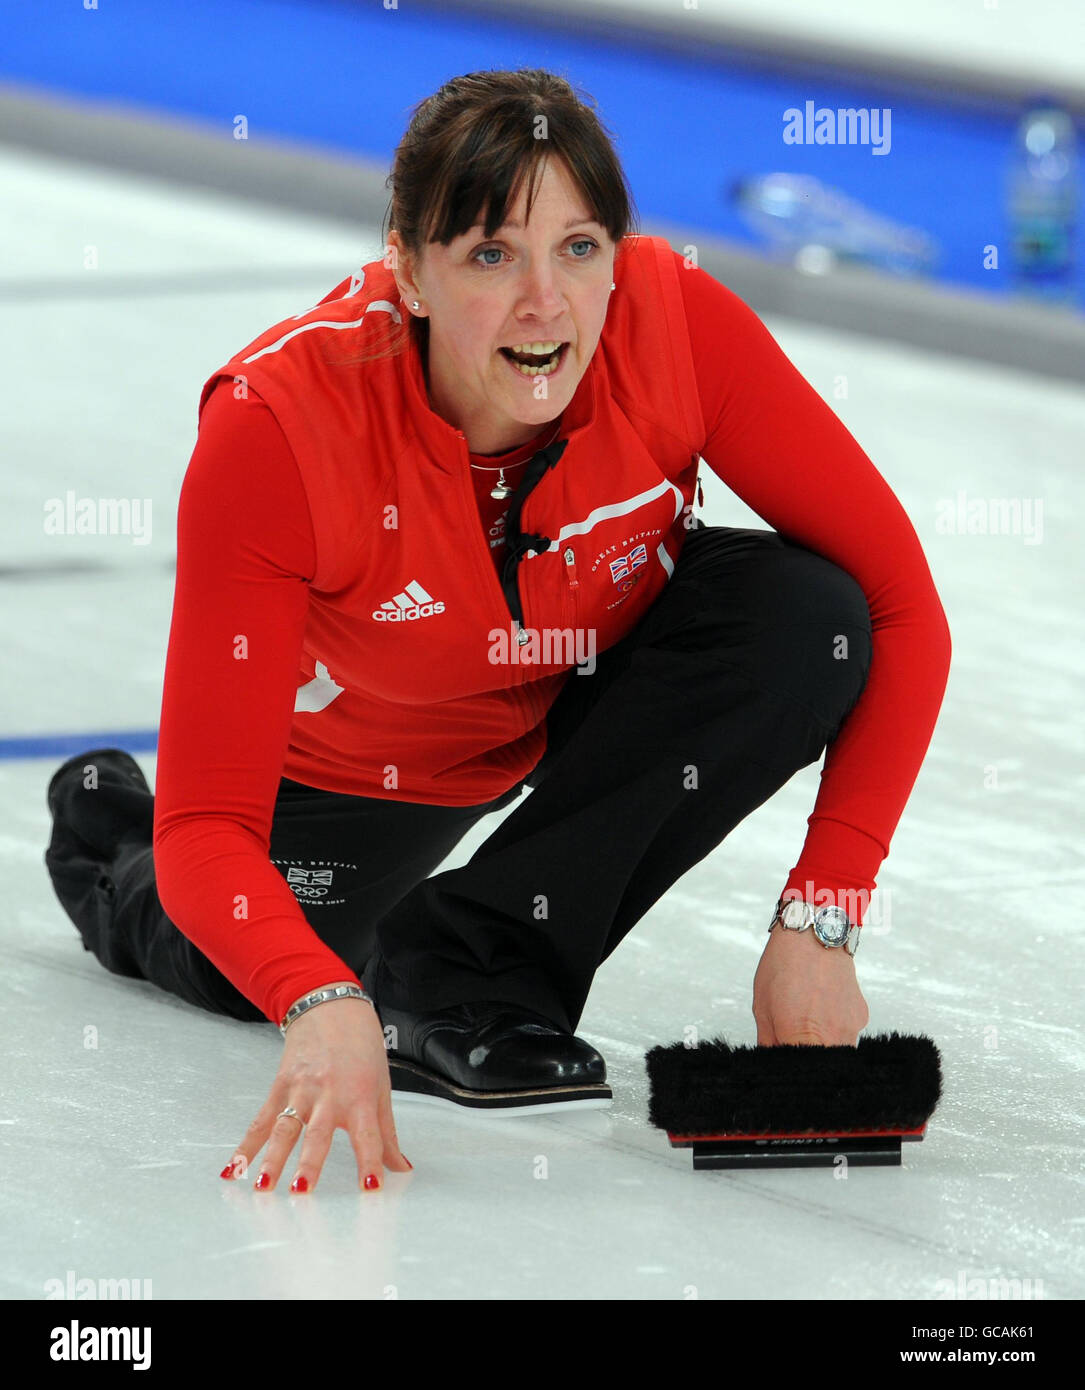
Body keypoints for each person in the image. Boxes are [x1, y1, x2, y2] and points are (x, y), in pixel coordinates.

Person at [44, 68, 952, 1197]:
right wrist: (319, 1003)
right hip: (376, 764)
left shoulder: (675, 325)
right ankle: (99, 839)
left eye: (578, 248)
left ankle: (473, 969)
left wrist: (822, 915)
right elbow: (207, 829)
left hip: (577, 675)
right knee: (249, 958)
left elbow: (902, 607)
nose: (545, 302)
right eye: (488, 254)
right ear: (408, 269)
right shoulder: (275, 429)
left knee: (807, 618)